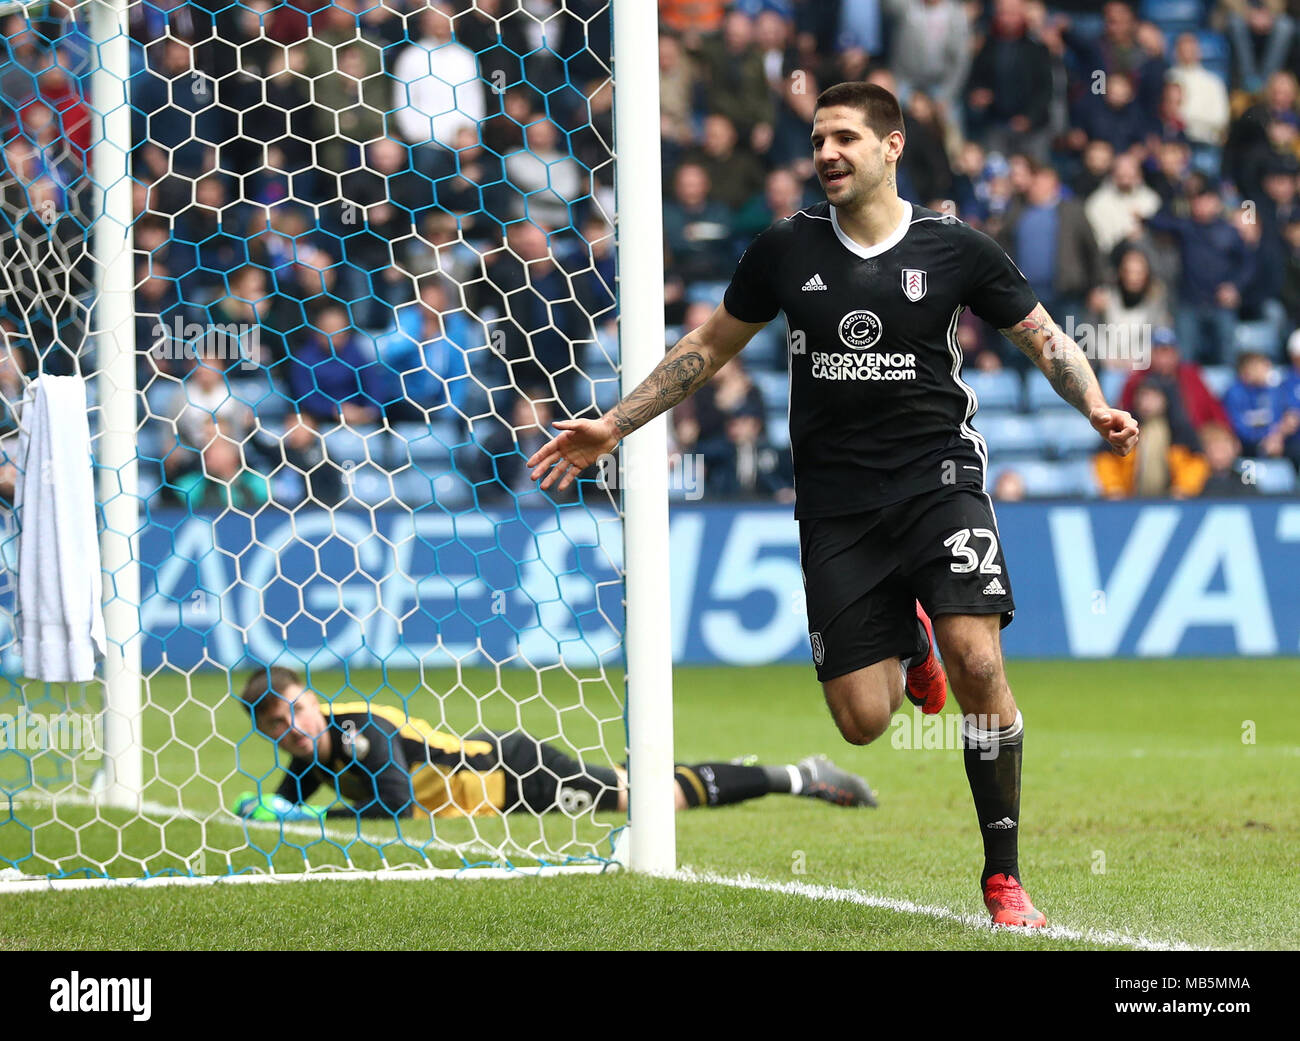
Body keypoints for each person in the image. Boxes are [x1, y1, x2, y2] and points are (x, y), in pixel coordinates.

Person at [526, 83, 1140, 928]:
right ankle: (907, 640)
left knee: (981, 663)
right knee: (861, 721)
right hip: (837, 504)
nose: (827, 153)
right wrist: (616, 424)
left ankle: (1003, 876)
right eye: (818, 139)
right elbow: (708, 346)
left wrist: (1096, 406)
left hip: (938, 481)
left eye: (845, 136)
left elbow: (1041, 334)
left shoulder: (955, 247)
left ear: (892, 146)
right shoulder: (784, 248)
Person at [234, 667, 878, 821]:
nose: (292, 726)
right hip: (498, 785)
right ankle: (763, 773)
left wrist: (316, 817)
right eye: (276, 723)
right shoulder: (308, 755)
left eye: (295, 710)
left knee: (649, 802)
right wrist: (274, 810)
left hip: (516, 775)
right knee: (646, 784)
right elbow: (287, 798)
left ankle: (795, 775)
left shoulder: (357, 731)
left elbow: (397, 804)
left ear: (312, 699)